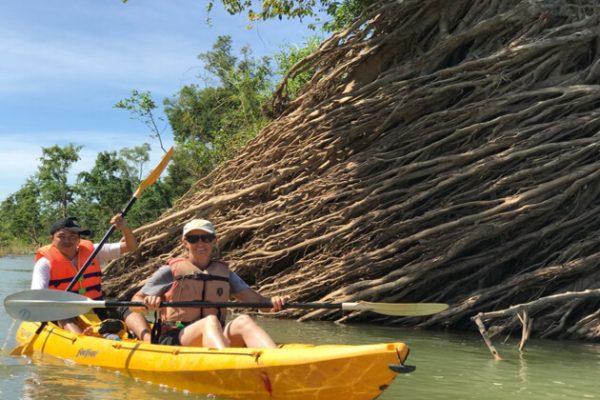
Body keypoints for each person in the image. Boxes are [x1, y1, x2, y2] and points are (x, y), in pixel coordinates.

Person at [130, 218, 289, 349]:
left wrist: (273, 302)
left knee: (244, 321)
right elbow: (134, 302)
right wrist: (146, 302)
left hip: (215, 335)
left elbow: (259, 303)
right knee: (210, 321)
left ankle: (277, 365)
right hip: (176, 337)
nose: (200, 243)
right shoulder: (168, 271)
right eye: (193, 239)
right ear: (184, 243)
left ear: (214, 241)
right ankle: (227, 366)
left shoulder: (225, 274)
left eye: (206, 238)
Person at [31, 214, 151, 341]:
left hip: (93, 303)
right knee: (64, 315)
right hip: (65, 309)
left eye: (73, 236)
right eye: (62, 236)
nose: (68, 240)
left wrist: (124, 228)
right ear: (52, 238)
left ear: (78, 240)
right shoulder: (44, 263)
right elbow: (38, 295)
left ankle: (148, 339)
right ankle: (83, 343)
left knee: (124, 305)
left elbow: (131, 247)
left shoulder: (93, 250)